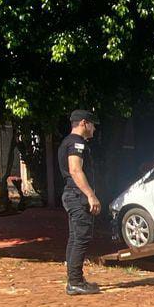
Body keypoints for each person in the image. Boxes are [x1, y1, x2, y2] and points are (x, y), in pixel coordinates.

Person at [59, 109, 101, 295]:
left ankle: (75, 279)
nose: (94, 129)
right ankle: (74, 282)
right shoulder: (76, 143)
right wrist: (90, 195)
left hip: (71, 194)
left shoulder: (68, 142)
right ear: (84, 123)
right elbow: (75, 170)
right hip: (77, 195)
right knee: (81, 238)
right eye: (92, 125)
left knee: (75, 237)